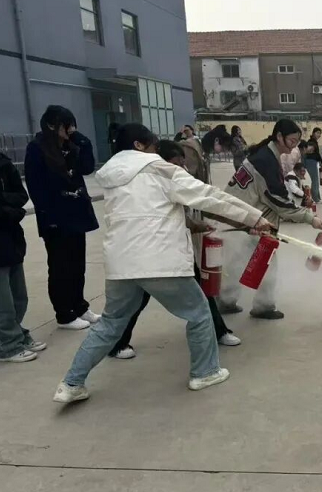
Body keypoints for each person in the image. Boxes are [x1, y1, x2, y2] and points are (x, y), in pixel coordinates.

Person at [53, 123, 270, 404]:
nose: (158, 151)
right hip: (159, 259)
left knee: (110, 323)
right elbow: (208, 196)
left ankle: (71, 383)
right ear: (139, 145)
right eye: (154, 145)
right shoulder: (159, 170)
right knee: (199, 313)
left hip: (121, 264)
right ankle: (205, 372)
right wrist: (254, 217)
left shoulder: (113, 176)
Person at [108, 140, 242, 360]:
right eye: (178, 163)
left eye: (183, 164)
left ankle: (219, 330)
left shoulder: (174, 179)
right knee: (137, 299)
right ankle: (118, 343)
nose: (183, 169)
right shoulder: (147, 181)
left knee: (199, 291)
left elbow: (202, 204)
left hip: (174, 250)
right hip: (148, 251)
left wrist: (236, 221)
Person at [217, 119, 322, 319]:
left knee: (238, 259)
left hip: (239, 215)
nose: (293, 146)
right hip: (245, 218)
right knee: (267, 259)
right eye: (291, 141)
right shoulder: (266, 161)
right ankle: (264, 306)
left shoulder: (265, 154)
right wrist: (310, 218)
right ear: (279, 137)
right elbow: (280, 203)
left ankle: (225, 301)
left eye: (296, 142)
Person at [25, 106, 100, 330]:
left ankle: (79, 306)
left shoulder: (71, 145)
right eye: (66, 125)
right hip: (55, 218)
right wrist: (49, 216)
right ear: (51, 125)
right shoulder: (37, 148)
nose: (71, 130)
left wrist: (83, 142)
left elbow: (87, 168)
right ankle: (64, 314)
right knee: (60, 266)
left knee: (78, 264)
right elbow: (36, 187)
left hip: (76, 214)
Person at [0, 151, 47, 363]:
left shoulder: (4, 163)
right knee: (3, 302)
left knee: (19, 296)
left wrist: (6, 203)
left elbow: (21, 195)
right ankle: (7, 345)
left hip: (10, 237)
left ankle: (15, 334)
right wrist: (11, 210)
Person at [304, 127, 322, 204]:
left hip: (313, 161)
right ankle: (315, 198)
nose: (319, 135)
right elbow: (308, 151)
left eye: (320, 133)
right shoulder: (311, 141)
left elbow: (316, 154)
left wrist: (320, 161)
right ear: (313, 133)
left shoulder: (314, 141)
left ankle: (317, 197)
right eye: (317, 133)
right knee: (315, 180)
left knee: (315, 180)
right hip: (310, 162)